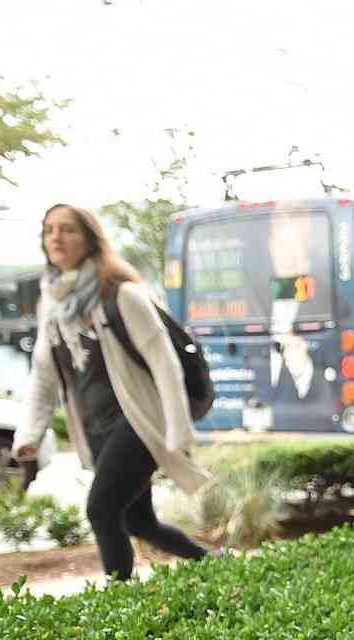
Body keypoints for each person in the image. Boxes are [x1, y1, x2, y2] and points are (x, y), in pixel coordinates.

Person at [13, 204, 210, 581]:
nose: (56, 237)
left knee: (101, 510)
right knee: (140, 522)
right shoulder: (50, 304)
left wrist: (177, 429)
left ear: (89, 239)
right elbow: (44, 376)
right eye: (49, 229)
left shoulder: (122, 295)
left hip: (138, 421)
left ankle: (119, 602)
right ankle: (213, 562)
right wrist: (29, 435)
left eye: (67, 229)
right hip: (96, 428)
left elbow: (163, 363)